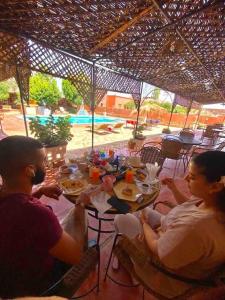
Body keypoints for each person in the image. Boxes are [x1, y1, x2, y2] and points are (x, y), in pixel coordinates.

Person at [114, 151, 225, 298]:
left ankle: (133, 261)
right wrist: (174, 189)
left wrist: (145, 224)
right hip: (169, 230)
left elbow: (157, 248)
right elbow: (190, 206)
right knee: (135, 207)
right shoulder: (212, 203)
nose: (185, 178)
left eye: (192, 177)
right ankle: (130, 246)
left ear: (215, 187)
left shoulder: (197, 227)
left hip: (163, 268)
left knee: (121, 217)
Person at [0, 136, 90, 298]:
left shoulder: (4, 194)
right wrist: (81, 206)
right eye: (42, 161)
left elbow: (15, 206)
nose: (46, 165)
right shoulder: (37, 214)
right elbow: (76, 257)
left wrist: (39, 192)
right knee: (79, 219)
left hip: (7, 282)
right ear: (30, 170)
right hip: (39, 287)